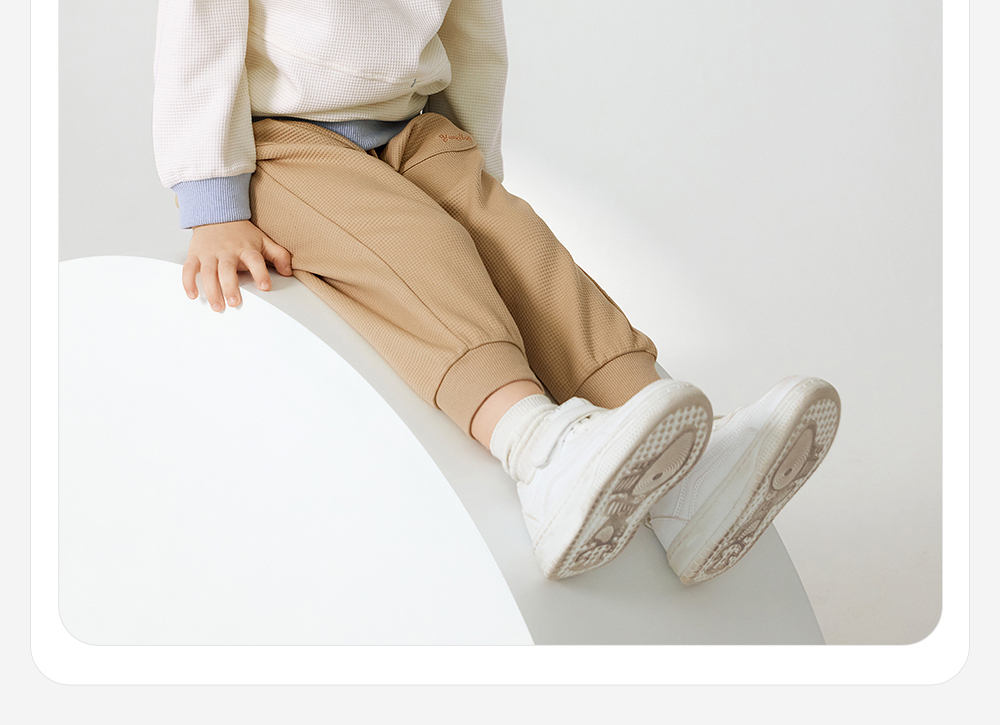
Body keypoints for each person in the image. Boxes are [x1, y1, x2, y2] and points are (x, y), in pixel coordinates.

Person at [153, 0, 840, 584]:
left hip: (409, 122)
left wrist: (476, 170)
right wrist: (212, 196)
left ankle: (684, 472)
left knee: (519, 245)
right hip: (280, 138)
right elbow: (198, 17)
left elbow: (473, 28)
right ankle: (537, 449)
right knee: (421, 247)